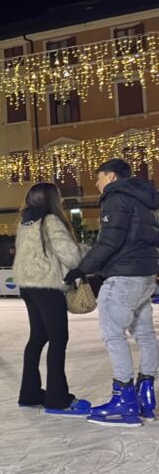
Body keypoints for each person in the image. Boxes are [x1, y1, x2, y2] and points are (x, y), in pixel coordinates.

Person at [63, 159, 159, 427]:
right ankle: (145, 395)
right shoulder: (145, 202)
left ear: (112, 176)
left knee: (113, 334)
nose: (96, 182)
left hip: (122, 278)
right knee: (145, 334)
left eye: (99, 177)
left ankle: (124, 400)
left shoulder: (117, 197)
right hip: (144, 276)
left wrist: (81, 269)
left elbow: (110, 240)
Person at [13, 182, 87, 416]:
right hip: (48, 287)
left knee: (37, 338)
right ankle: (57, 398)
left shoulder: (25, 222)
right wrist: (85, 252)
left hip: (28, 287)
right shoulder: (51, 221)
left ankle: (30, 394)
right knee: (58, 339)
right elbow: (70, 256)